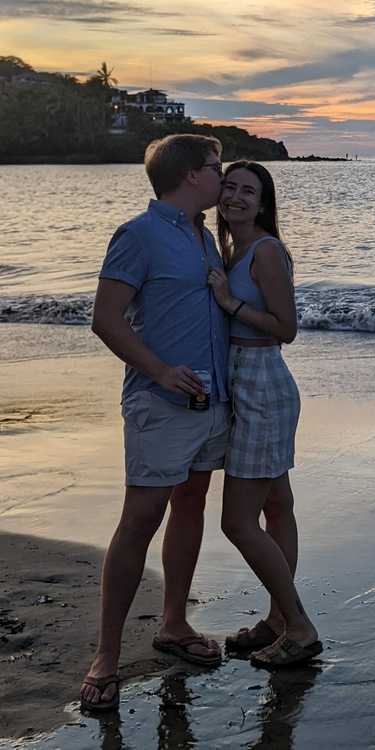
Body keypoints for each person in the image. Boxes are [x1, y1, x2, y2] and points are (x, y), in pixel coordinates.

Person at [80, 134, 230, 712]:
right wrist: (161, 371)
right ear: (192, 175)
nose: (223, 178)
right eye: (217, 169)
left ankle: (173, 624)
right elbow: (106, 319)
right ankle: (106, 659)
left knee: (191, 502)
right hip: (159, 402)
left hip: (210, 402)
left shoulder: (205, 237)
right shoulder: (137, 235)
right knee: (140, 518)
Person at [207, 160, 320, 667]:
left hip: (260, 382)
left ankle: (299, 626)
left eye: (247, 191)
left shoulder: (267, 251)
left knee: (237, 521)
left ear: (264, 203)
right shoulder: (232, 248)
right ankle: (278, 620)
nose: (234, 197)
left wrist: (229, 303)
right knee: (277, 507)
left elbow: (286, 328)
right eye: (228, 186)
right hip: (245, 382)